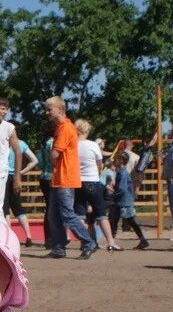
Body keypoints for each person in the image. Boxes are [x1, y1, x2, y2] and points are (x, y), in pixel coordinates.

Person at [43, 96, 96, 259]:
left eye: (49, 109)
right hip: (59, 178)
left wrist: (52, 159)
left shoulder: (66, 128)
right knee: (53, 215)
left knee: (66, 214)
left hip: (65, 178)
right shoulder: (61, 127)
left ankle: (88, 242)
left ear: (60, 109)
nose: (47, 113)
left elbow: (54, 154)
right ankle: (59, 247)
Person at [75, 119, 120, 251]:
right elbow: (99, 164)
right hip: (93, 182)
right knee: (101, 214)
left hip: (78, 182)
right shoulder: (93, 145)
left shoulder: (73, 145)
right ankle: (111, 242)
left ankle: (86, 242)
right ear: (87, 130)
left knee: (80, 215)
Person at [3, 128, 38, 246]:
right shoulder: (22, 144)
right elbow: (34, 160)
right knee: (19, 209)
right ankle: (28, 236)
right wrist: (21, 172)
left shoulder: (4, 143)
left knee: (5, 209)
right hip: (16, 178)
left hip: (3, 177)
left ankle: (8, 238)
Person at [108, 151, 148, 249]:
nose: (114, 160)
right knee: (115, 220)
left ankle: (143, 240)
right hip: (122, 201)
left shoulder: (122, 173)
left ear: (121, 160)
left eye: (117, 159)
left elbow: (121, 189)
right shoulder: (121, 171)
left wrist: (112, 195)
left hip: (123, 201)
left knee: (129, 221)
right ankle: (112, 242)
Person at [35, 127, 54, 248]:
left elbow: (39, 164)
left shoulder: (43, 143)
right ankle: (53, 238)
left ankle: (48, 238)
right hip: (53, 177)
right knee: (53, 209)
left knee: (49, 208)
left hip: (44, 177)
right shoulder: (52, 143)